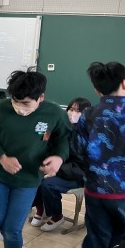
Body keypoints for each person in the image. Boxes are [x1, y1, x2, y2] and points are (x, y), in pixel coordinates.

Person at [0, 69, 71, 248]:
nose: (19, 107)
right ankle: (3, 228)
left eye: (25, 103)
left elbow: (63, 141)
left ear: (40, 97)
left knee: (12, 230)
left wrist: (58, 158)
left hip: (28, 178)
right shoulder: (0, 108)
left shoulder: (54, 113)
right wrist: (1, 157)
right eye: (15, 101)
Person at [74, 62, 125, 248]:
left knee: (96, 239)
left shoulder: (88, 115)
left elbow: (78, 150)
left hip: (96, 190)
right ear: (124, 83)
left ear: (97, 89)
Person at [30, 97, 92, 231]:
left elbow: (81, 166)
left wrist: (55, 171)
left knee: (48, 184)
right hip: (58, 170)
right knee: (33, 176)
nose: (73, 113)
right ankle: (40, 209)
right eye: (71, 109)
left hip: (76, 175)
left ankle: (57, 216)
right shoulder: (61, 127)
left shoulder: (87, 135)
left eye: (78, 111)